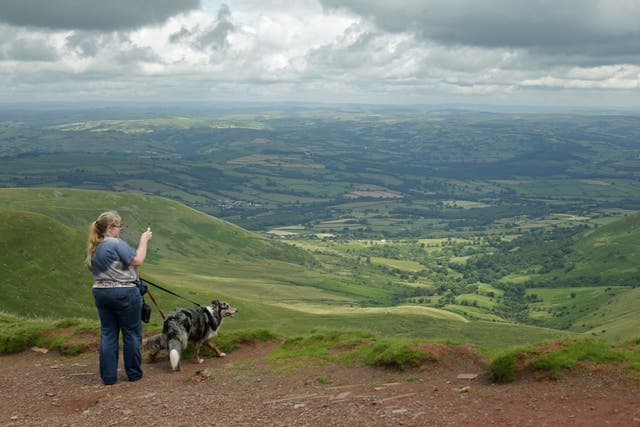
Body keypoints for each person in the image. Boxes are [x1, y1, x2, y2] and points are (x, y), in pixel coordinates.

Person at [85, 211, 153, 385]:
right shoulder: (115, 243)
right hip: (124, 293)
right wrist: (144, 240)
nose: (120, 230)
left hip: (100, 292)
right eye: (118, 226)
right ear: (109, 228)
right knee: (131, 333)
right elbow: (137, 260)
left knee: (108, 333)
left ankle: (108, 377)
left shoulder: (94, 246)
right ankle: (133, 373)